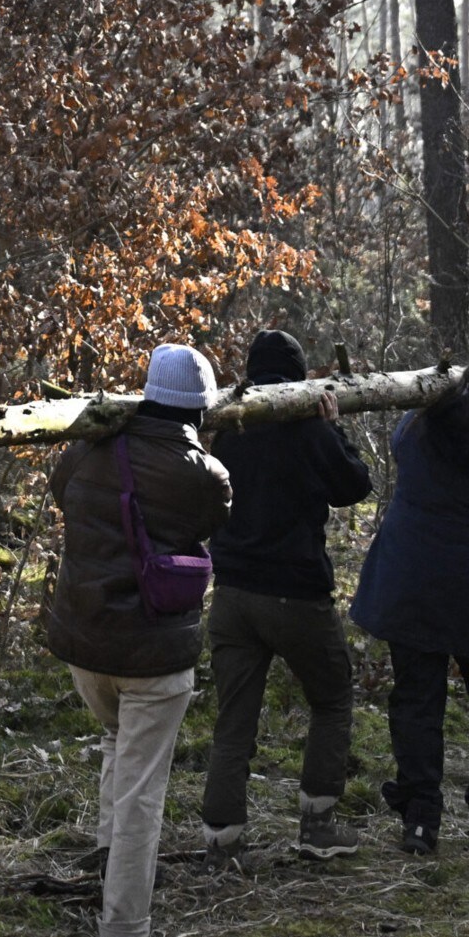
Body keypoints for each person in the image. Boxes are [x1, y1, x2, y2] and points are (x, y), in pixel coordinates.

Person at [47, 343, 233, 937]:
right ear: (199, 410)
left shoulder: (89, 448)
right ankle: (124, 929)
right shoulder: (201, 471)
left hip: (85, 643)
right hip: (154, 656)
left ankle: (107, 867)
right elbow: (218, 516)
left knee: (114, 749)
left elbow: (59, 492)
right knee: (141, 792)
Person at [351, 349, 469, 855]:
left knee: (417, 701)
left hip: (413, 581)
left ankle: (420, 818)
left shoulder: (418, 429)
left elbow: (398, 441)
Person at [199, 331, 374, 866]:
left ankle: (222, 842)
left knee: (234, 720)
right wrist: (332, 428)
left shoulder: (230, 428)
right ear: (300, 378)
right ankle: (317, 824)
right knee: (333, 697)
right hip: (296, 594)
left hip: (231, 595)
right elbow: (355, 486)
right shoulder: (306, 428)